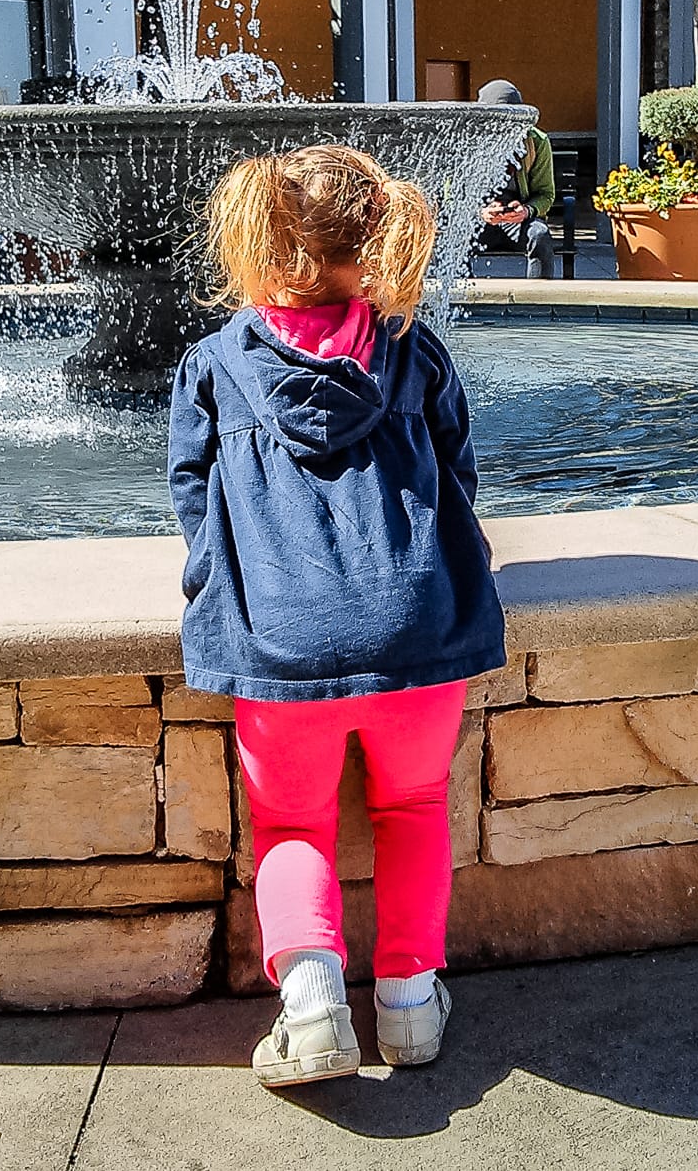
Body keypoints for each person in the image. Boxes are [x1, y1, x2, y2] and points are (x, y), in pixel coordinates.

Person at [168, 145, 507, 1086]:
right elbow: (460, 482)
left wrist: (222, 585)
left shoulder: (215, 364)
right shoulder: (414, 351)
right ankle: (406, 1004)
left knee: (291, 825)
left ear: (260, 239)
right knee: (412, 807)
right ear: (378, 238)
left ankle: (313, 1008)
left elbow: (193, 498)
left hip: (279, 641)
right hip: (418, 632)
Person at [472, 79, 556, 278]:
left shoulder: (537, 141)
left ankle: (538, 300)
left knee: (540, 235)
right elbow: (453, 197)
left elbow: (545, 194)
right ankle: (458, 300)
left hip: (518, 220)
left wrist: (526, 211)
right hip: (479, 219)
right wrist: (480, 211)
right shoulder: (468, 141)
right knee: (454, 237)